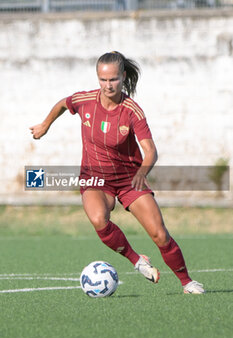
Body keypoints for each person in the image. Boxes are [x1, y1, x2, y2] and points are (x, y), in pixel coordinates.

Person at [30, 51, 205, 294]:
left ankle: (187, 282)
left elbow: (151, 151)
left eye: (113, 79)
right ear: (97, 79)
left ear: (123, 77)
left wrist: (143, 172)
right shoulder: (85, 101)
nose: (107, 85)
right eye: (103, 80)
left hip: (130, 178)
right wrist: (45, 125)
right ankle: (137, 261)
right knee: (99, 219)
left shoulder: (131, 110)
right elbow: (62, 104)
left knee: (160, 234)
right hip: (95, 178)